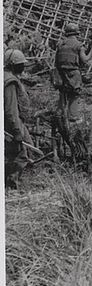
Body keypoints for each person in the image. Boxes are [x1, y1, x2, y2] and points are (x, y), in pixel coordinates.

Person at [4, 48, 32, 189]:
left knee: (26, 148)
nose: (23, 67)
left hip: (14, 121)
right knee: (19, 154)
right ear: (12, 65)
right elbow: (10, 110)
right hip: (12, 122)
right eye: (20, 64)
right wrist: (16, 131)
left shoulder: (6, 76)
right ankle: (12, 184)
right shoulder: (10, 82)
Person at [55, 22, 91, 123]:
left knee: (63, 93)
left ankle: (59, 114)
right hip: (74, 73)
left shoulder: (60, 43)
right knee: (75, 93)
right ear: (76, 33)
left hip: (61, 73)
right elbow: (84, 60)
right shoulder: (79, 45)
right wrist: (91, 53)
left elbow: (56, 60)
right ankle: (73, 116)